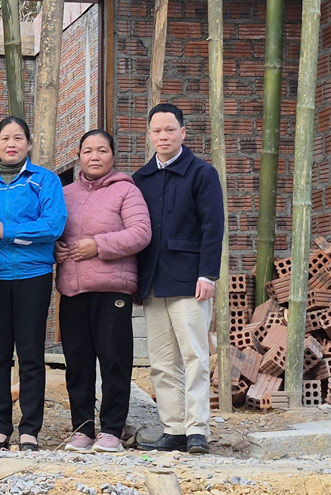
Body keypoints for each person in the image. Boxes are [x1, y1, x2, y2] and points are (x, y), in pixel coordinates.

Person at [0, 116, 66, 452]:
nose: (11, 144)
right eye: (5, 138)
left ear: (28, 143)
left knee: (30, 354)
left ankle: (30, 430)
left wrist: (10, 231)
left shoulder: (45, 181)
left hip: (33, 276)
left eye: (18, 138)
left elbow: (53, 225)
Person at [133, 103, 224, 455]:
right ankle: (173, 429)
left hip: (190, 281)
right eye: (156, 131)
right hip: (153, 282)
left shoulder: (202, 174)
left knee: (196, 357)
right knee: (161, 361)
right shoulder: (142, 179)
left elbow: (213, 227)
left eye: (170, 130)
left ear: (183, 133)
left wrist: (208, 274)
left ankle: (197, 429)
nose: (163, 136)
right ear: (150, 135)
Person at [54, 130, 151, 453]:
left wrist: (97, 246)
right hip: (73, 290)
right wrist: (56, 250)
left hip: (113, 289)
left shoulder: (126, 191)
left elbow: (140, 233)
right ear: (78, 156)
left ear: (112, 156)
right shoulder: (64, 193)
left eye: (102, 150)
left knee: (114, 361)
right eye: (87, 151)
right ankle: (82, 429)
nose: (94, 156)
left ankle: (111, 430)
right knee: (78, 363)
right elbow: (54, 232)